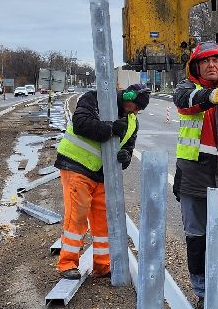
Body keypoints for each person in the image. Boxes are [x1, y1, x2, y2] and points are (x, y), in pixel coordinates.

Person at [53, 83, 150, 281]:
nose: (136, 111)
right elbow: (80, 123)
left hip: (102, 175)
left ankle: (103, 265)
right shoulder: (94, 99)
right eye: (136, 106)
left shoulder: (132, 122)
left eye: (140, 109)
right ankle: (67, 264)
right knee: (77, 216)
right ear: (127, 97)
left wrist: (125, 157)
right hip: (76, 165)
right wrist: (110, 128)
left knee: (104, 221)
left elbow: (128, 149)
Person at [172, 42, 218, 304]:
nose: (211, 65)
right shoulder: (188, 89)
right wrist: (211, 97)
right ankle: (204, 294)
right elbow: (186, 102)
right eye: (205, 62)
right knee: (197, 238)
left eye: (216, 61)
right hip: (194, 177)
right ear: (196, 67)